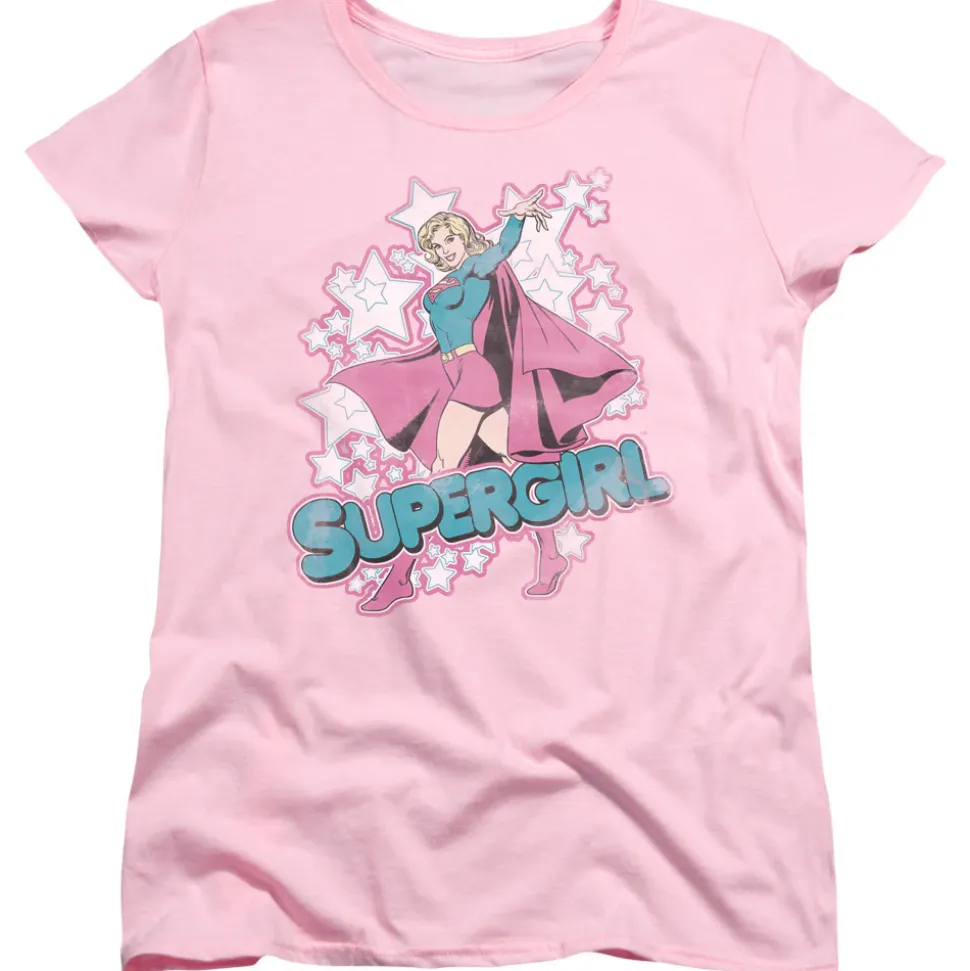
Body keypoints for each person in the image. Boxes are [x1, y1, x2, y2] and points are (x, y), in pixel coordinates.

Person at [330, 187, 637, 612]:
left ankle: (399, 577)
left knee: (442, 470)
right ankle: (551, 554)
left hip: (475, 377)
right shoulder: (448, 280)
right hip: (456, 373)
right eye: (437, 245)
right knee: (520, 464)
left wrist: (516, 217)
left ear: (465, 237)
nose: (445, 249)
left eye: (450, 239)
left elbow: (504, 247)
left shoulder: (477, 267)